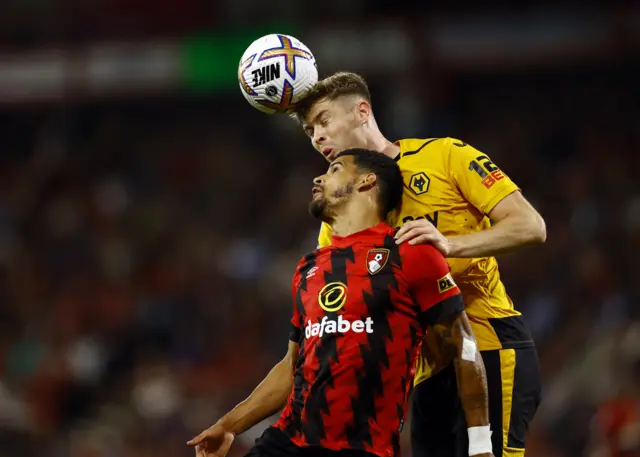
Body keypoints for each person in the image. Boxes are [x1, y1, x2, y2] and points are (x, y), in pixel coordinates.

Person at [290, 72, 546, 457]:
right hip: (425, 374)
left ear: (362, 111)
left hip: (489, 345)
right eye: (310, 130)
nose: (317, 137)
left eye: (324, 121)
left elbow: (530, 226)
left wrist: (449, 245)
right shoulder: (339, 215)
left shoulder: (446, 155)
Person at [187, 149, 493, 457]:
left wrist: (480, 446)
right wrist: (228, 426)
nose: (319, 178)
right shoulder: (308, 268)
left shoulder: (411, 253)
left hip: (362, 446)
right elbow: (292, 366)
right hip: (288, 441)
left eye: (334, 169)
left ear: (366, 181)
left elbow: (463, 345)